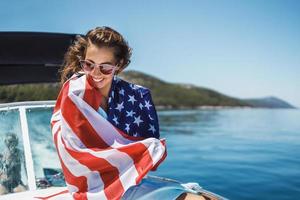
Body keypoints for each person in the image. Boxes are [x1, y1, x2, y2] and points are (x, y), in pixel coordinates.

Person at [58, 26, 209, 200]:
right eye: (88, 65)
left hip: (128, 181)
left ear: (119, 65)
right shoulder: (75, 95)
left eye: (105, 67)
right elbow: (75, 152)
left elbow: (142, 144)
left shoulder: (134, 97)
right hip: (92, 187)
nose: (95, 73)